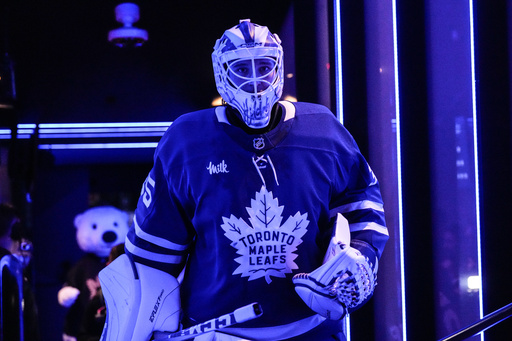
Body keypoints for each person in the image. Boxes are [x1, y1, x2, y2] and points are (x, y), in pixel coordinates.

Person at [99, 19, 388, 341]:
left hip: (313, 328)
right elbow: (152, 260)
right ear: (222, 73)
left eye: (263, 66)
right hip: (219, 330)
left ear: (278, 68)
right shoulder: (186, 140)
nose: (254, 81)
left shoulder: (324, 129)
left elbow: (362, 210)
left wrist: (361, 253)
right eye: (241, 69)